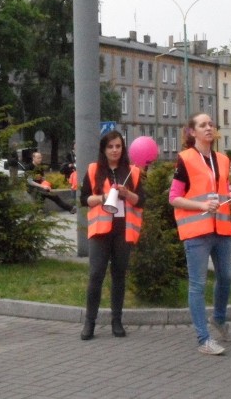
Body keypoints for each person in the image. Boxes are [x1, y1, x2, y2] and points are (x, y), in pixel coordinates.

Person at [170, 112, 231, 355]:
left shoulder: (222, 159)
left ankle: (219, 318)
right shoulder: (185, 159)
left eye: (211, 124)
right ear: (192, 132)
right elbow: (174, 198)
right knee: (197, 285)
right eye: (203, 125)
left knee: (227, 277)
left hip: (221, 227)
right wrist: (201, 206)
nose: (209, 128)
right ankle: (204, 339)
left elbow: (220, 186)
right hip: (196, 230)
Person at [79, 131, 146, 340]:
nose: (115, 150)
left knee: (119, 276)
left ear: (123, 149)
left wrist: (127, 194)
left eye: (118, 146)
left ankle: (117, 320)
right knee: (96, 274)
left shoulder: (133, 172)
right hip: (100, 231)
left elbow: (141, 200)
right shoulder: (93, 170)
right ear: (104, 149)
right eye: (110, 147)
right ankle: (89, 322)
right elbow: (83, 199)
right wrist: (102, 197)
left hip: (123, 230)